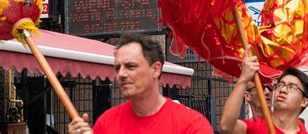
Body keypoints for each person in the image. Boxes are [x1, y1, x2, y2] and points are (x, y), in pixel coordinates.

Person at [68, 35, 213, 134]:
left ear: (155, 69)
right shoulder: (106, 123)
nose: (122, 74)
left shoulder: (191, 125)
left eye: (131, 66)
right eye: (118, 68)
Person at [220, 49, 308, 134]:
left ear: (304, 101)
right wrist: (243, 79)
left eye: (292, 87)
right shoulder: (256, 127)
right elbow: (226, 126)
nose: (283, 90)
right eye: (280, 84)